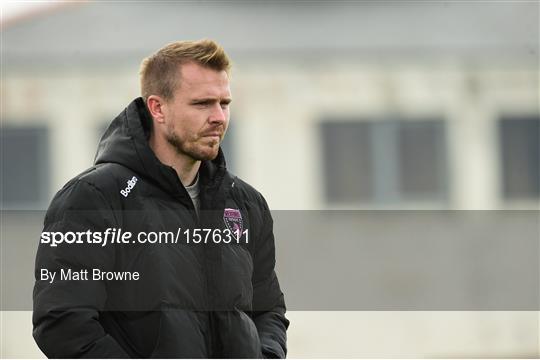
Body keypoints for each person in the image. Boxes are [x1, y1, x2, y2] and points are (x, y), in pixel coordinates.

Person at [32, 39, 289, 358]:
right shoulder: (93, 198)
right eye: (202, 104)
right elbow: (63, 323)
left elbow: (269, 310)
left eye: (224, 103)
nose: (219, 117)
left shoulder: (246, 203)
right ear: (158, 108)